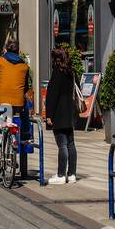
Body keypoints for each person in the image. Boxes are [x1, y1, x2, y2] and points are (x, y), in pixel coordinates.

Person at [0, 38, 34, 178]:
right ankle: (25, 135)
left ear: (6, 49)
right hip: (17, 104)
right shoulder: (24, 66)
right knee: (23, 108)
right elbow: (25, 88)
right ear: (18, 50)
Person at [43, 48, 87, 184]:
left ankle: (61, 175)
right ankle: (72, 174)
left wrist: (49, 114)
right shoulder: (71, 71)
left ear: (55, 59)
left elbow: (53, 95)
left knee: (62, 144)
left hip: (59, 113)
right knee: (71, 143)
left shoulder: (57, 72)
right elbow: (77, 89)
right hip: (71, 111)